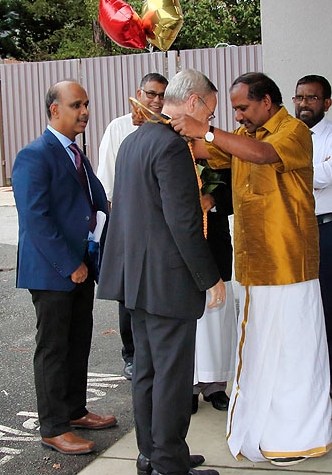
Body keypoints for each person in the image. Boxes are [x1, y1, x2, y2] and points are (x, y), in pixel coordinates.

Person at [171, 71, 332, 467]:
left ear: (267, 101)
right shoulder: (247, 138)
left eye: (243, 108)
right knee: (261, 353)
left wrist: (206, 131)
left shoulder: (293, 131)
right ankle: (265, 433)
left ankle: (296, 438)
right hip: (254, 266)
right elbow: (205, 151)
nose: (238, 116)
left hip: (289, 266)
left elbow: (261, 156)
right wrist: (169, 125)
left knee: (293, 355)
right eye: (235, 110)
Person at [97, 69, 225, 475]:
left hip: (137, 279)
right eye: (210, 111)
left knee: (149, 373)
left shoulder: (134, 141)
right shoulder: (171, 147)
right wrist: (211, 277)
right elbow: (183, 222)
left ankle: (153, 454)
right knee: (171, 376)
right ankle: (169, 463)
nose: (209, 122)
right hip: (166, 282)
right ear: (193, 102)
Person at [12, 80, 116, 455]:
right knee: (54, 348)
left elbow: (93, 201)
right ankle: (53, 427)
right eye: (76, 105)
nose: (85, 111)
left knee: (77, 342)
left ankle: (74, 410)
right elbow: (35, 219)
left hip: (81, 266)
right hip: (54, 270)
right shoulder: (34, 156)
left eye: (86, 104)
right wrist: (69, 263)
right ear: (54, 110)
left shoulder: (77, 153)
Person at [96, 72, 169, 380]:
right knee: (128, 292)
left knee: (156, 288)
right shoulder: (118, 128)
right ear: (138, 93)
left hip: (158, 223)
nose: (155, 100)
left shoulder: (170, 128)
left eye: (161, 95)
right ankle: (131, 354)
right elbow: (106, 182)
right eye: (150, 93)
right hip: (124, 220)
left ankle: (156, 353)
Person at [293, 74, 332, 398]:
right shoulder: (285, 135)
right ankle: (303, 372)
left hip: (327, 229)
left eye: (312, 98)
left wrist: (288, 167)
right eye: (299, 97)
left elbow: (328, 175)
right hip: (292, 230)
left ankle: (328, 373)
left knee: (327, 301)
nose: (304, 103)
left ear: (326, 103)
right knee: (297, 304)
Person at [191, 164, 235, 414]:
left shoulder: (219, 157)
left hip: (216, 246)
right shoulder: (171, 151)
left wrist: (212, 199)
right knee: (191, 324)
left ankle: (216, 386)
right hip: (182, 251)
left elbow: (236, 192)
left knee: (217, 320)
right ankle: (189, 388)